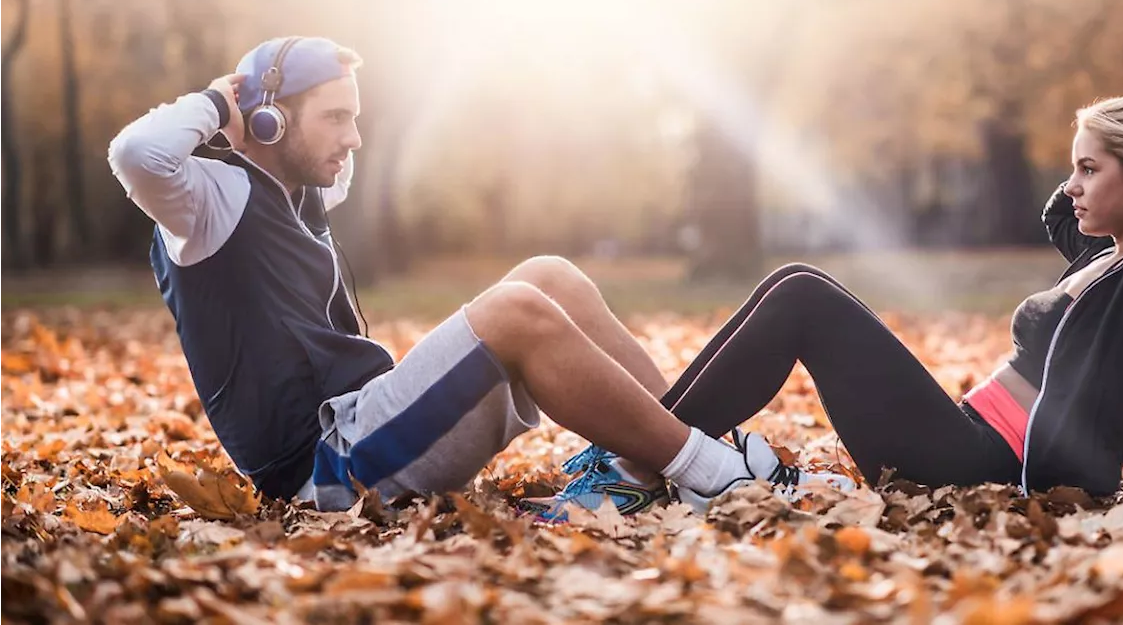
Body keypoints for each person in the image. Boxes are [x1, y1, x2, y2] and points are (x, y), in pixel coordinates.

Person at [109, 36, 852, 515]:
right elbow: (136, 154)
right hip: (320, 472)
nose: (354, 138)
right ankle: (714, 475)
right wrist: (222, 102)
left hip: (364, 418)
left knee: (548, 275)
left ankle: (659, 454)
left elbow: (322, 159)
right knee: (513, 312)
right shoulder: (203, 203)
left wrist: (304, 91)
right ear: (268, 120)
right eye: (336, 117)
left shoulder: (298, 188)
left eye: (356, 117)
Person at [529, 93, 1123, 518]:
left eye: (1089, 168)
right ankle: (639, 450)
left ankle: (635, 465)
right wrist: (1118, 151)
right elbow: (1063, 215)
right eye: (1073, 166)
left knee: (804, 298)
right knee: (798, 275)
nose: (1073, 184)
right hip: (966, 436)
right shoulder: (1106, 258)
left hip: (990, 469)